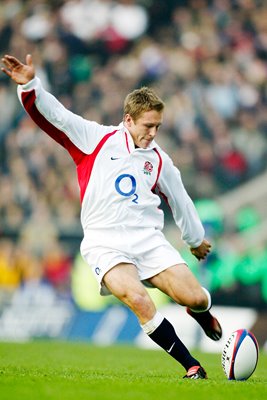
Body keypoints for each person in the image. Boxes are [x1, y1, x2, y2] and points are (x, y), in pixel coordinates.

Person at [1, 54, 222, 379]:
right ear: (129, 120)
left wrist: (194, 239)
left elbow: (181, 199)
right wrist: (31, 85)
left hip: (148, 241)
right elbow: (55, 117)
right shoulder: (95, 139)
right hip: (105, 243)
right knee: (138, 298)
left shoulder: (160, 160)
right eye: (148, 126)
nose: (153, 133)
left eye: (158, 127)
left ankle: (199, 313)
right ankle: (192, 366)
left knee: (196, 297)